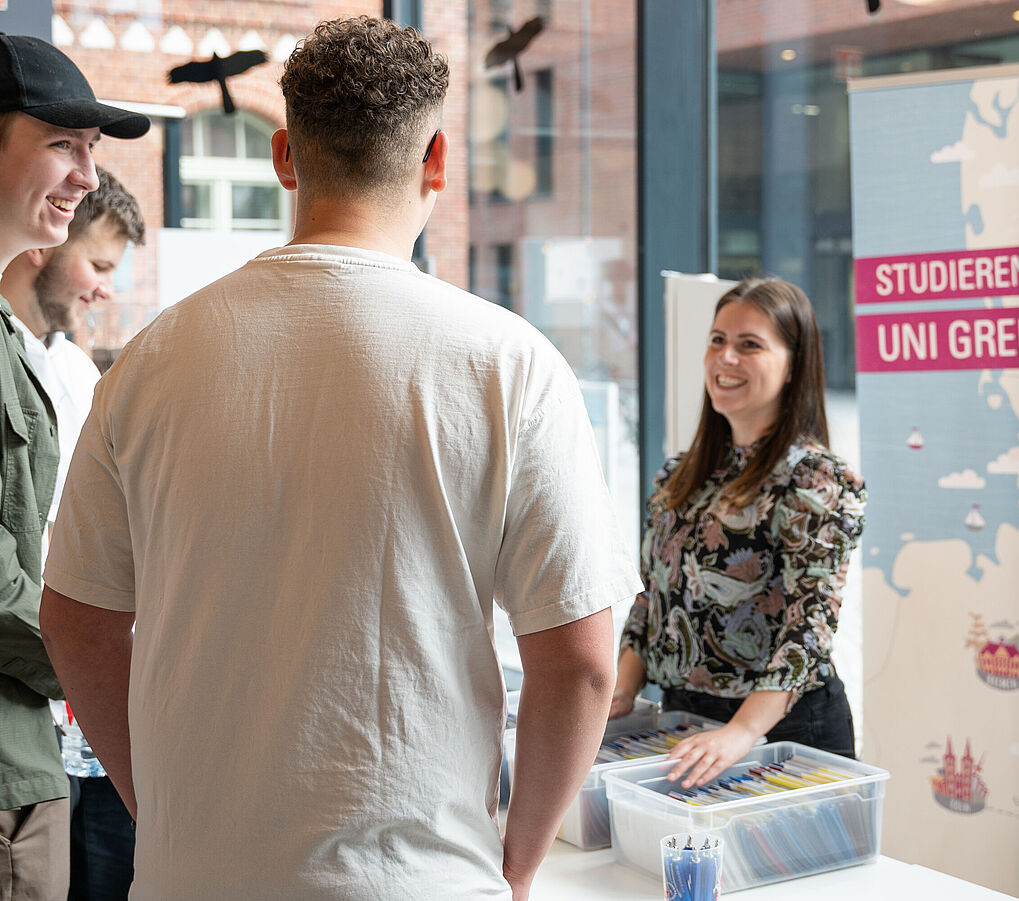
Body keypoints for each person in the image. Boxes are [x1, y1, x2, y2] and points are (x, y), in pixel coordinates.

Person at [39, 16, 639, 901]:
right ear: (438, 161)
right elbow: (582, 663)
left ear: (284, 157)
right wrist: (517, 863)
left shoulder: (150, 361)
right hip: (420, 880)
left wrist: (162, 813)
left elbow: (76, 622)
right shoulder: (509, 365)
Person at [611, 277, 866, 789]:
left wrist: (742, 731)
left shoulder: (815, 479)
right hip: (685, 719)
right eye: (717, 340)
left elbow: (810, 626)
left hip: (783, 728)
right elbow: (651, 600)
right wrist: (618, 691)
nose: (726, 358)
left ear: (793, 365)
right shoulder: (679, 475)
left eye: (750, 345)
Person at [0, 33, 148, 901]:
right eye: (63, 142)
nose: (87, 175)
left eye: (92, 149)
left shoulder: (27, 352)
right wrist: (106, 660)